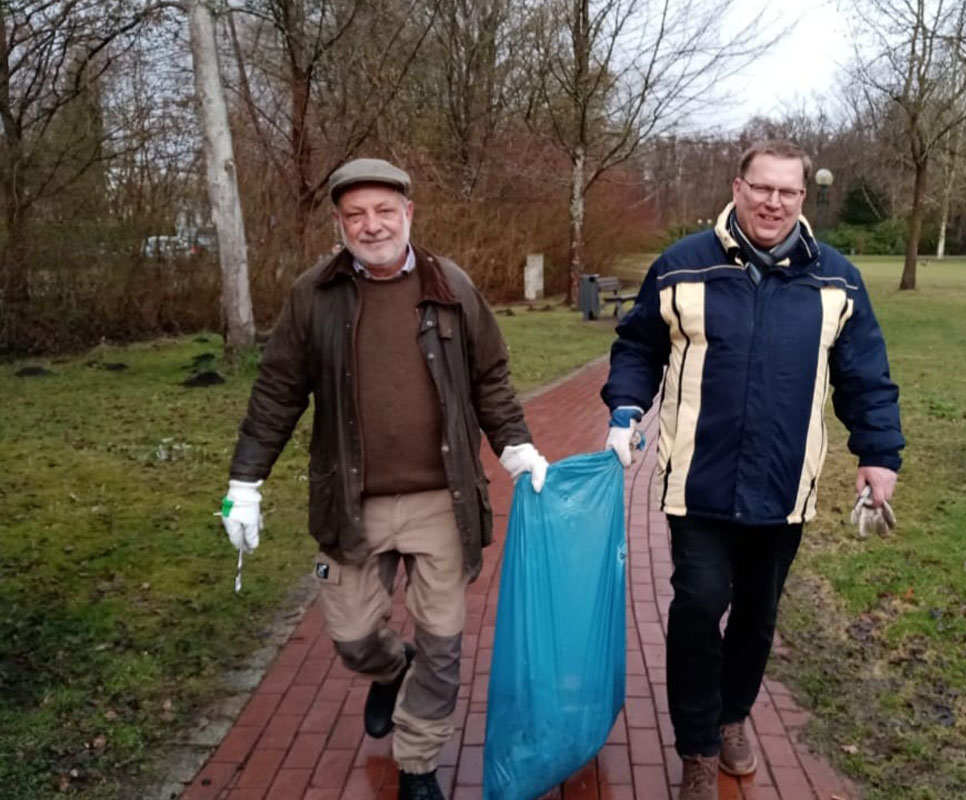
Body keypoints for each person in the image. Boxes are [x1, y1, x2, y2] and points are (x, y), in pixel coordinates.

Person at [219, 157, 548, 800]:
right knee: (351, 637)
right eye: (356, 215)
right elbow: (277, 393)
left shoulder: (451, 285)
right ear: (340, 223)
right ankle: (393, 671)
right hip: (353, 500)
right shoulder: (313, 296)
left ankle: (418, 766)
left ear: (408, 213)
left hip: (441, 498)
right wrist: (244, 484)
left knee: (443, 644)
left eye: (384, 211)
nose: (371, 226)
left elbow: (490, 378)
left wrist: (516, 446)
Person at [601, 140, 903, 800]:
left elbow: (865, 376)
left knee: (758, 615)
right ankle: (698, 748)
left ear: (803, 198)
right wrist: (626, 404)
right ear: (737, 188)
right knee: (699, 603)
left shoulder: (837, 280)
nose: (773, 202)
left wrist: (879, 454)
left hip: (784, 485)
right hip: (698, 483)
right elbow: (638, 346)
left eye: (787, 191)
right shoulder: (682, 266)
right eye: (761, 188)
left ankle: (732, 715)